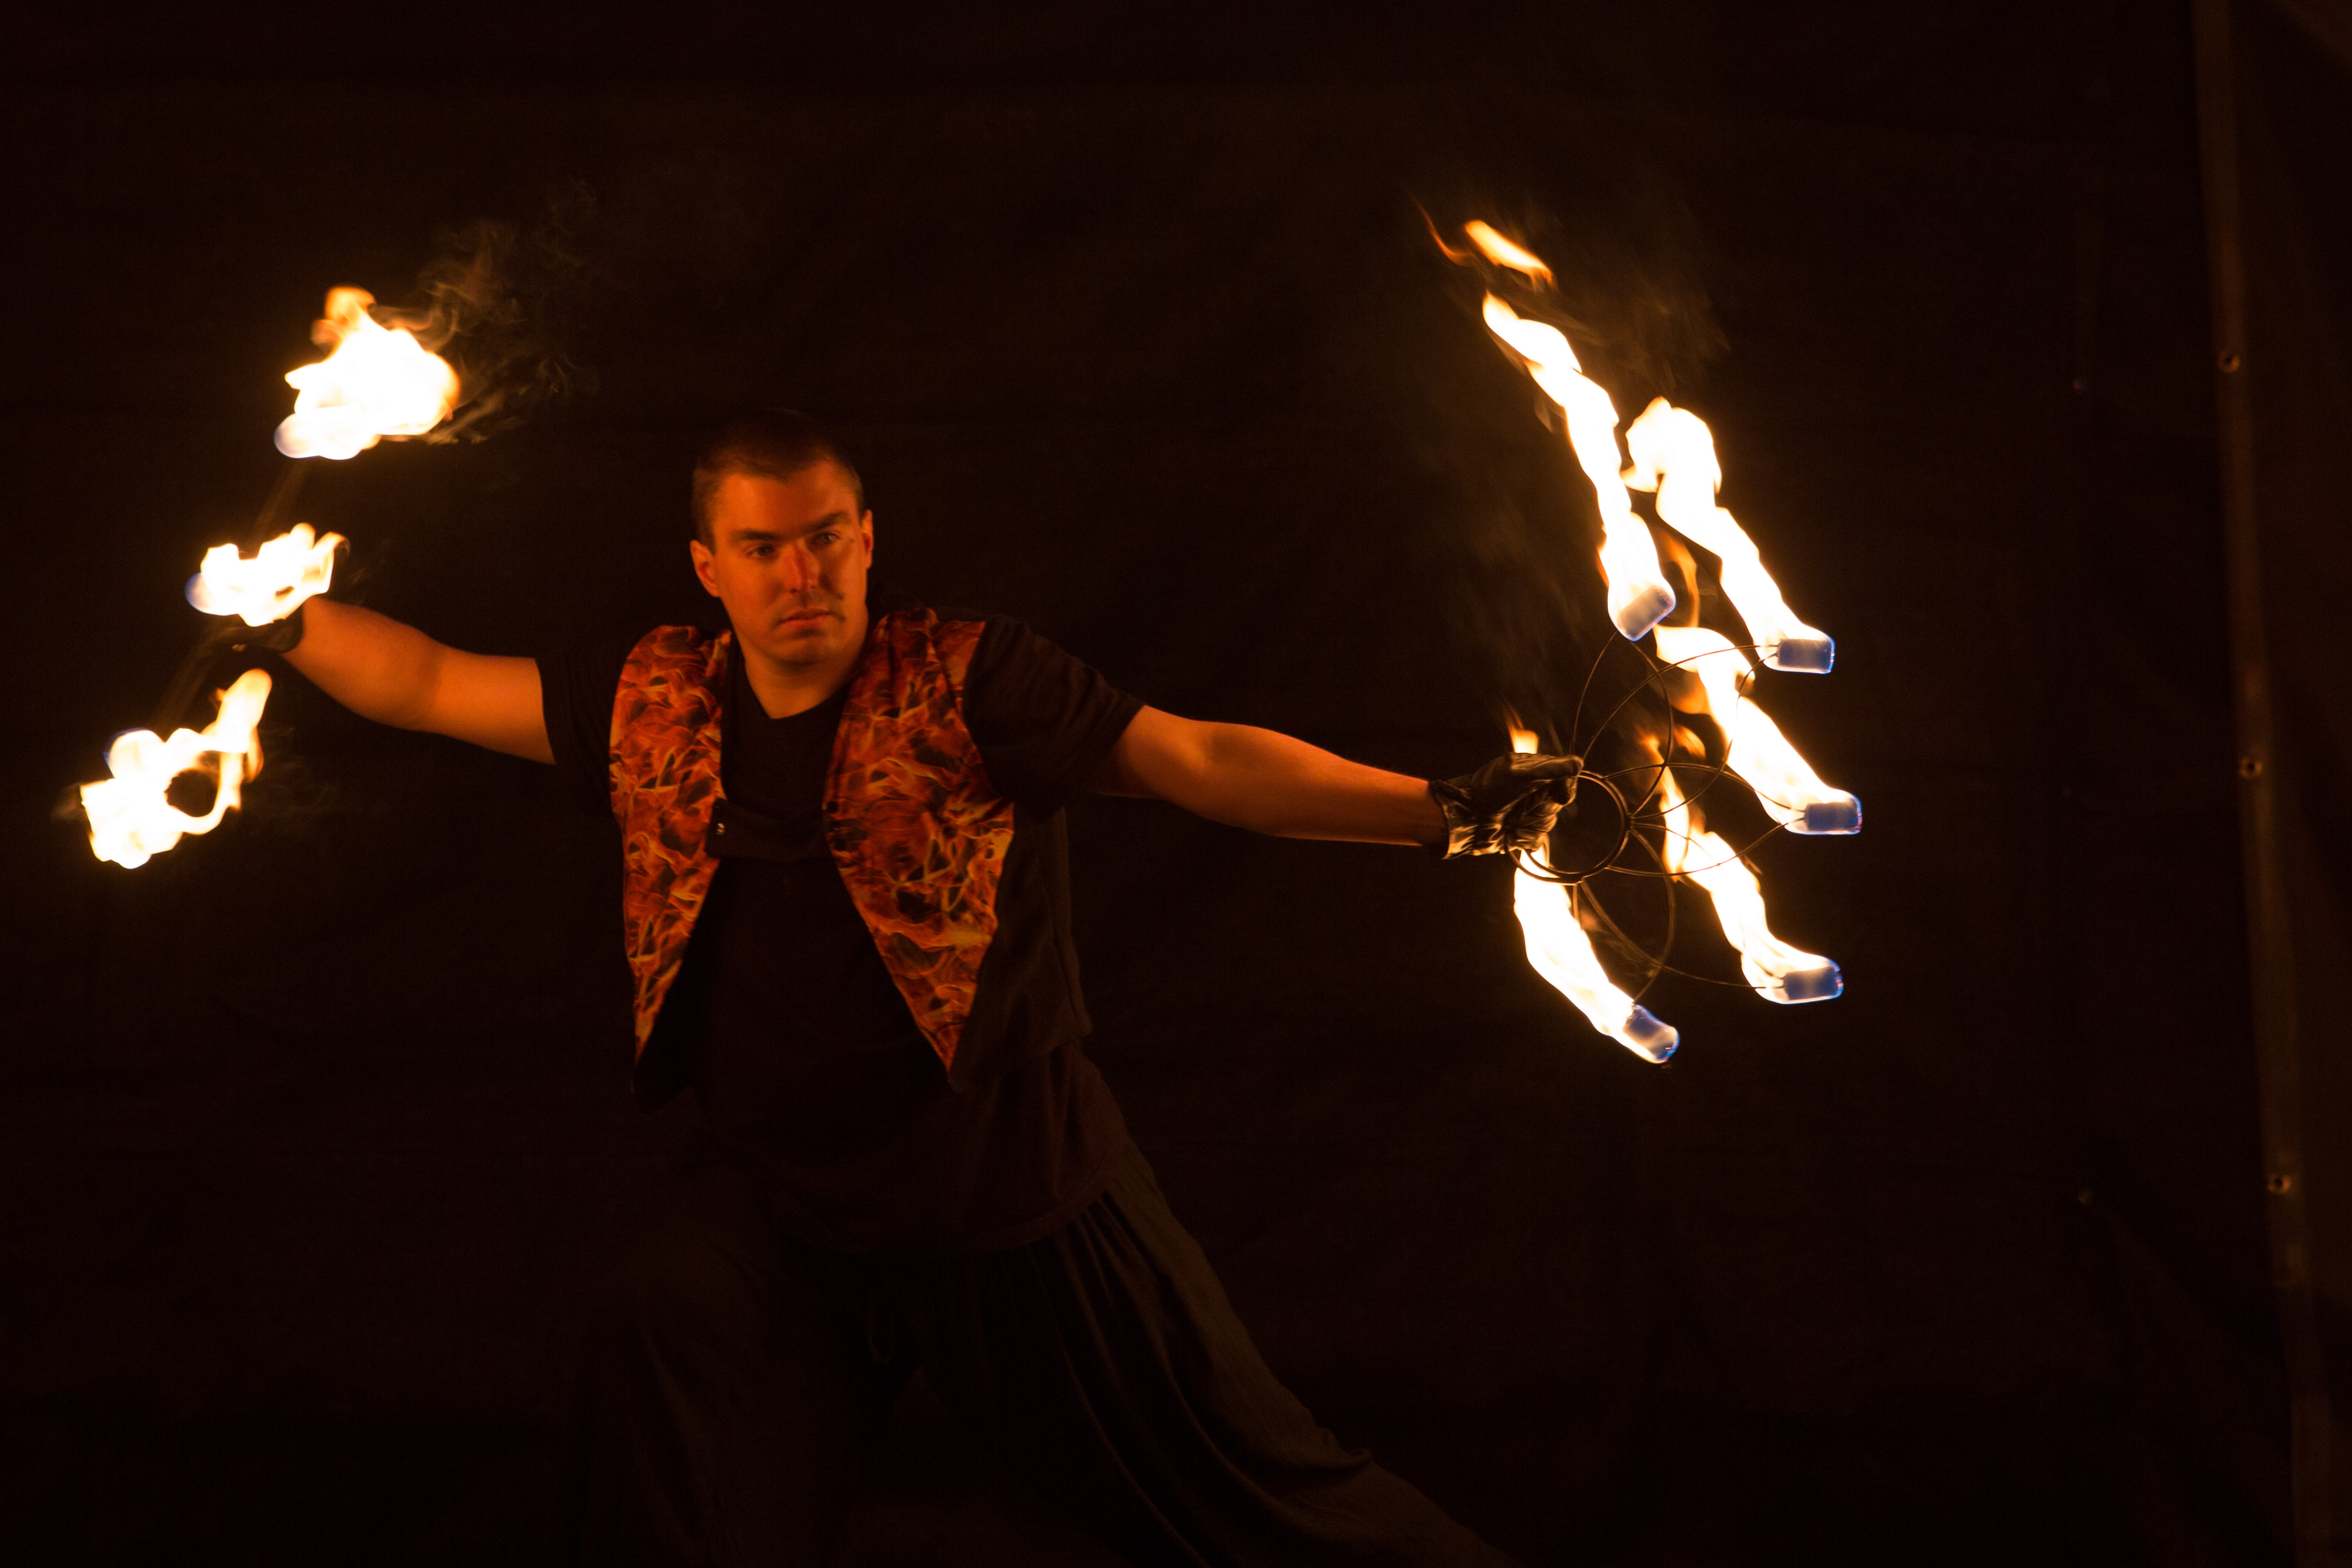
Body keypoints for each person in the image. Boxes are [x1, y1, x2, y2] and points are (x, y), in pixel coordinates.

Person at [247, 409, 1574, 1567]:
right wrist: (270, 611)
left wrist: (1448, 813)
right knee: (668, 1388)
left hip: (1011, 1197)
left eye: (826, 537)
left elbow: (1201, 761)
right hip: (793, 1215)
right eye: (763, 547)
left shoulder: (978, 680)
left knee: (1271, 1505)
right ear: (710, 567)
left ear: (868, 538)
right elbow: (425, 680)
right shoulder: (655, 698)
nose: (802, 573)